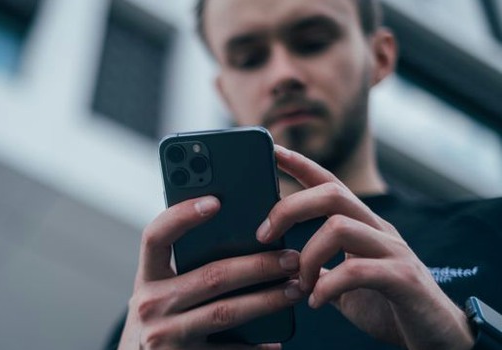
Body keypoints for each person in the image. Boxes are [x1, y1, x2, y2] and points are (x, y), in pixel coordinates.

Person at [106, 0, 502, 348]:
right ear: (225, 92)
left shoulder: (491, 232)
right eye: (249, 59)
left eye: (313, 42)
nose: (283, 75)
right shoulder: (160, 316)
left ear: (378, 57)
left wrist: (458, 338)